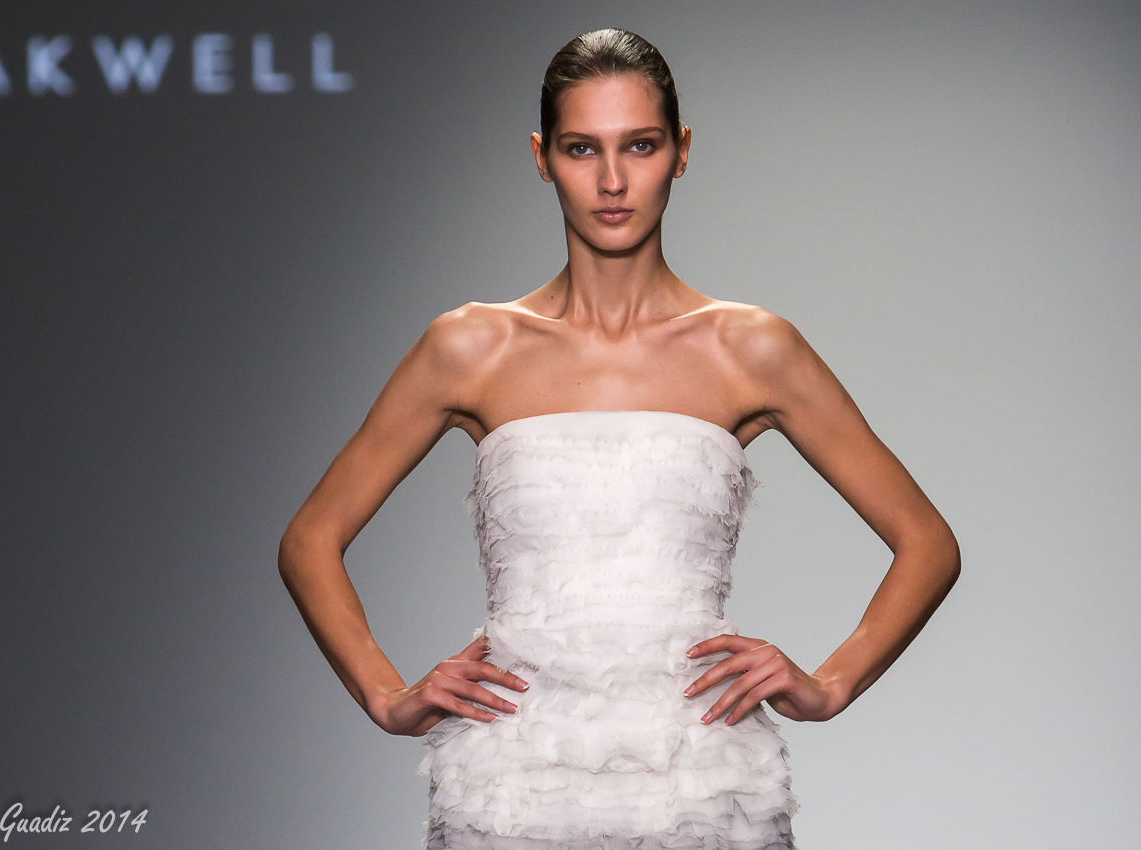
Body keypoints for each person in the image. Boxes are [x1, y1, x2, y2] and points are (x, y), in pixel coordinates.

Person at [278, 27, 960, 850]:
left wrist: (828, 684)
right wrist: (386, 698)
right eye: (581, 149)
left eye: (639, 145)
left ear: (681, 151)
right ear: (541, 158)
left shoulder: (750, 349)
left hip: (701, 780)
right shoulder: (469, 348)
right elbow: (310, 539)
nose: (611, 181)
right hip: (509, 786)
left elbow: (926, 543)